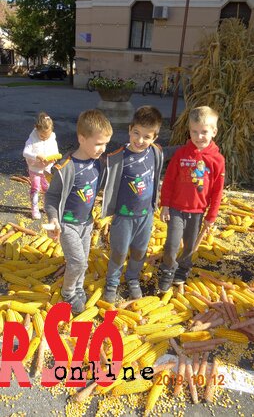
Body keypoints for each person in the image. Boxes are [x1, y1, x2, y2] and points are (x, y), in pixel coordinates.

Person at [102, 105, 178, 303]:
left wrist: (194, 148)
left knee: (139, 251)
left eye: (146, 136)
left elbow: (174, 151)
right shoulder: (118, 157)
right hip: (123, 217)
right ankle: (112, 281)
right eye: (136, 133)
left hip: (146, 216)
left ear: (155, 138)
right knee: (119, 252)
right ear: (129, 129)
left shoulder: (155, 153)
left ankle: (132, 277)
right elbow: (97, 167)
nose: (140, 140)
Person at [45, 109, 112, 315]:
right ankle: (68, 293)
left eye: (106, 144)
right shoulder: (66, 167)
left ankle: (77, 287)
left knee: (83, 259)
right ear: (82, 138)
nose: (103, 148)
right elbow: (52, 197)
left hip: (87, 222)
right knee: (78, 261)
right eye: (99, 143)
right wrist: (54, 219)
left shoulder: (98, 163)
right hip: (67, 224)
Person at [159, 106, 225, 292]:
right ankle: (167, 271)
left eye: (204, 132)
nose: (199, 136)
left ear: (214, 131)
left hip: (197, 211)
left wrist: (211, 215)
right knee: (172, 244)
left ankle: (182, 271)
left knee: (189, 246)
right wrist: (165, 205)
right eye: (194, 132)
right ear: (189, 131)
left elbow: (217, 191)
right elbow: (169, 181)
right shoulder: (181, 154)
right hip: (176, 209)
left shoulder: (217, 160)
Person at [23, 112, 59, 220]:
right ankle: (34, 208)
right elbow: (25, 153)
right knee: (35, 188)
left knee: (47, 188)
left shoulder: (52, 138)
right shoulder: (32, 139)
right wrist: (36, 156)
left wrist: (53, 159)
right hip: (35, 169)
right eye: (42, 136)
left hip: (46, 169)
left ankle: (45, 205)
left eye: (46, 136)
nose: (44, 138)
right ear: (36, 128)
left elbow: (55, 150)